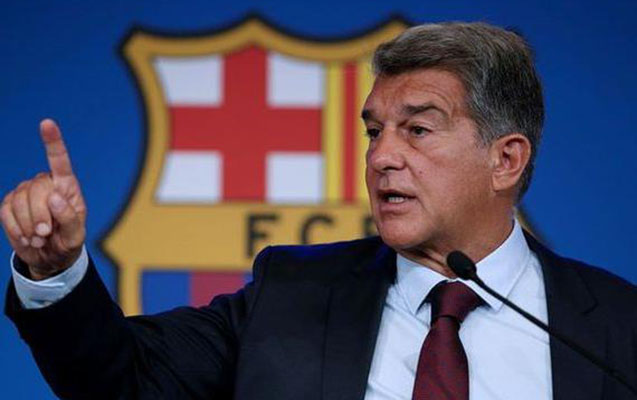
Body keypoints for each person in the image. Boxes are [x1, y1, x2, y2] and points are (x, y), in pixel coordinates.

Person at [2, 22, 636, 400]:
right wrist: (55, 269)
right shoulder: (292, 294)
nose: (382, 156)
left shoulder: (616, 327)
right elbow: (124, 381)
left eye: (417, 130)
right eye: (374, 131)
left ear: (506, 160)